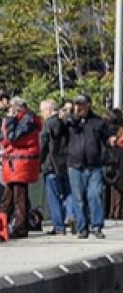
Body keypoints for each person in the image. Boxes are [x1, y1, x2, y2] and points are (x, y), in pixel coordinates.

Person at [66, 95, 112, 239]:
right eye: (76, 105)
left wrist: (112, 140)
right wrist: (69, 116)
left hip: (94, 165)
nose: (79, 108)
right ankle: (82, 228)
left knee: (95, 195)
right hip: (75, 165)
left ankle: (97, 226)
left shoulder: (97, 122)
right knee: (78, 198)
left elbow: (108, 136)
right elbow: (57, 132)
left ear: (88, 106)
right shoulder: (69, 122)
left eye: (82, 105)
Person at [1, 97, 42, 238]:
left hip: (20, 164)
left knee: (19, 198)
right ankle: (4, 226)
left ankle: (20, 228)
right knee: (8, 198)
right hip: (14, 164)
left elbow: (12, 138)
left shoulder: (27, 121)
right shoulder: (24, 120)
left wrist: (9, 120)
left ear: (17, 108)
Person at [39, 99, 72, 235]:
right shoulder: (67, 123)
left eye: (42, 111)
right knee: (68, 193)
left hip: (51, 164)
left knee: (54, 197)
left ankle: (59, 226)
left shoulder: (48, 124)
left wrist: (39, 162)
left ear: (48, 110)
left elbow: (43, 146)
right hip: (67, 163)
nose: (42, 115)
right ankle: (71, 215)